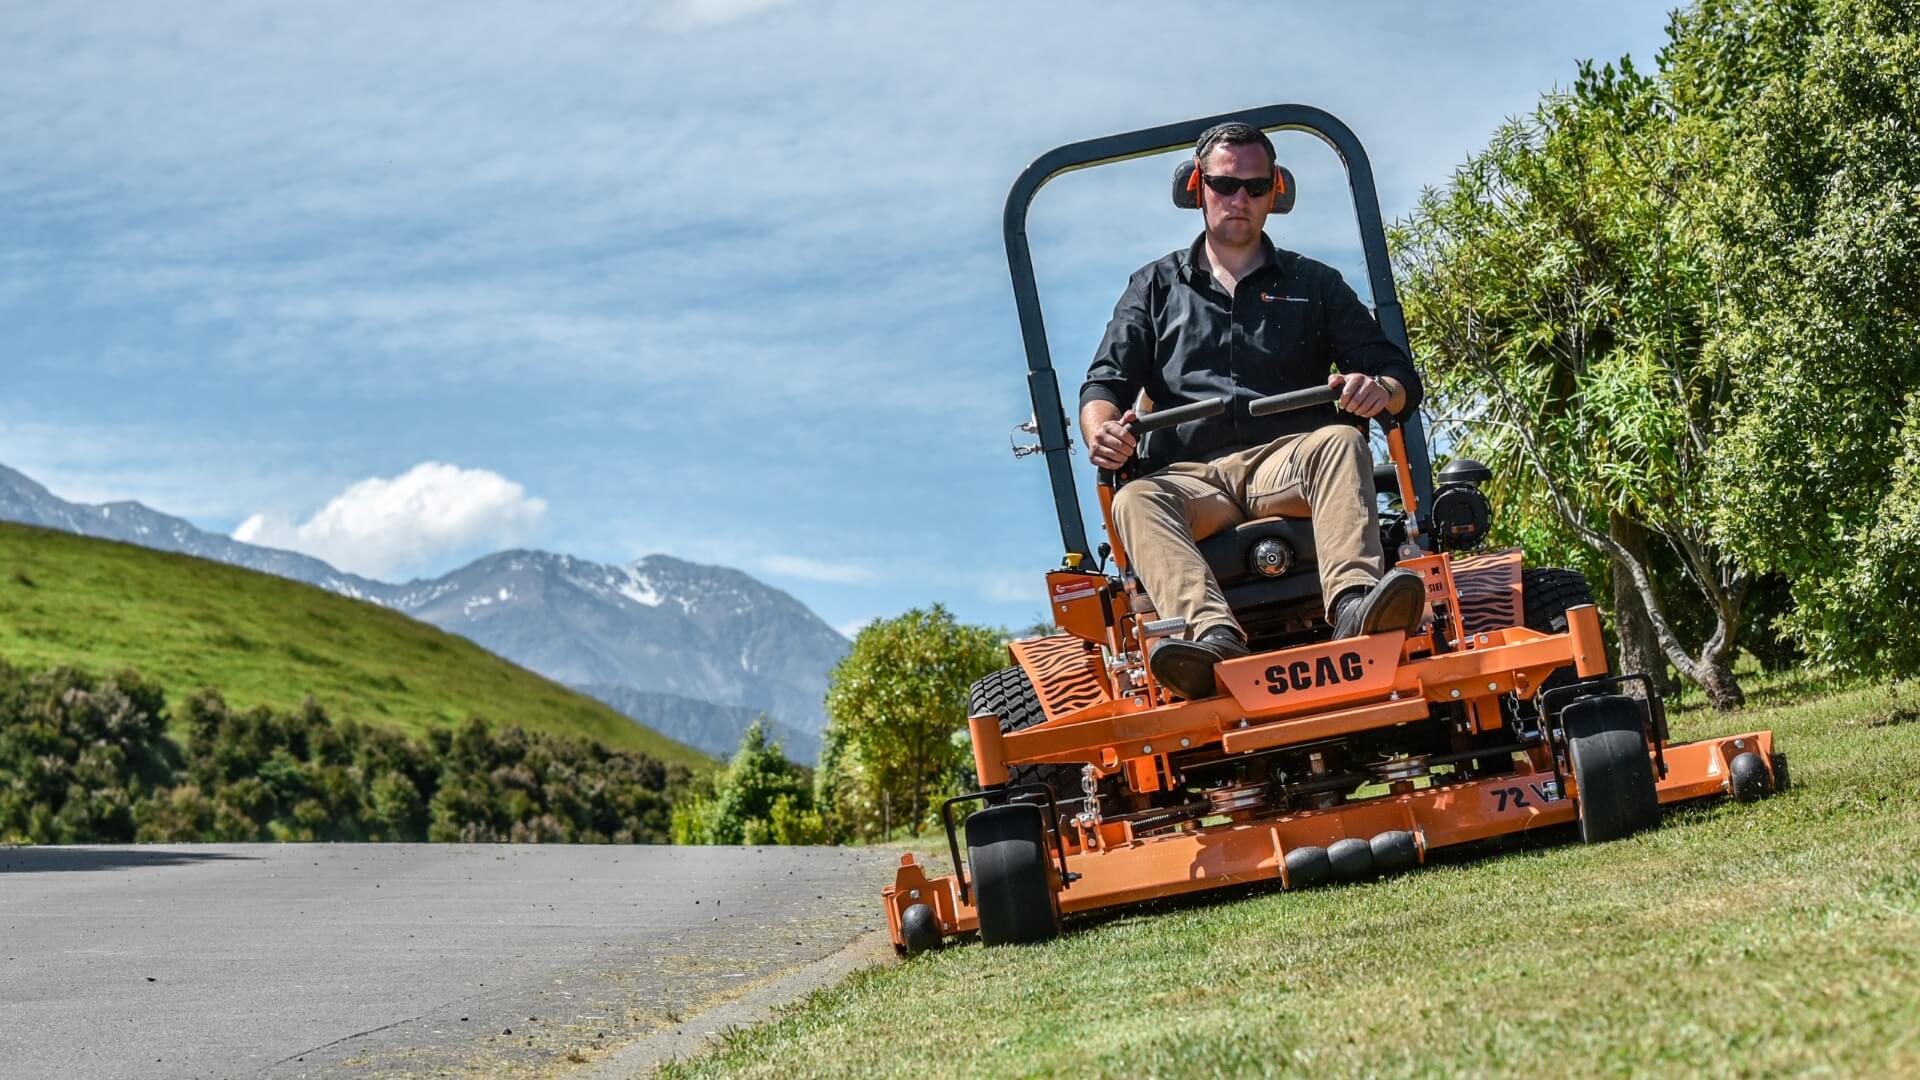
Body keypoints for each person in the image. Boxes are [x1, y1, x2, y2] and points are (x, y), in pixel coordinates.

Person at [1078, 121, 1428, 700]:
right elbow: (1104, 385)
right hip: (1189, 482)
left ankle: (1356, 607)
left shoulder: (1315, 284)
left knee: (1342, 440)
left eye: (1255, 187)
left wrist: (1378, 391)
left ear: (1276, 193)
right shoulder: (1154, 288)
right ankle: (1211, 637)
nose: (1238, 199)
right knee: (1134, 497)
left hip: (1285, 465)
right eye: (1224, 184)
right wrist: (1103, 432)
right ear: (1197, 187)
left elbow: (1395, 377)